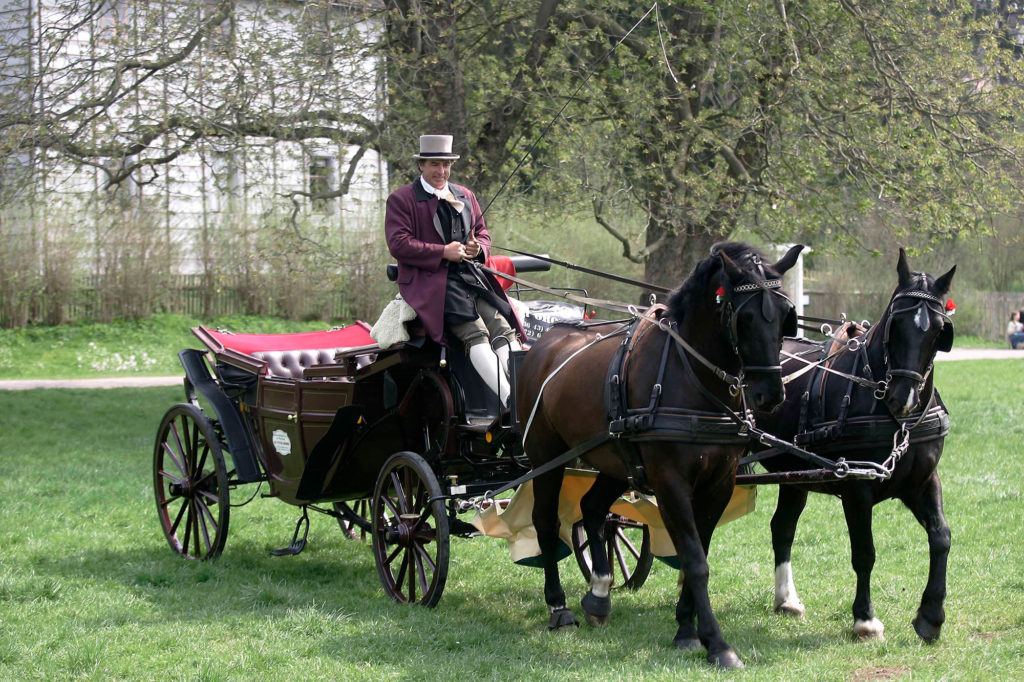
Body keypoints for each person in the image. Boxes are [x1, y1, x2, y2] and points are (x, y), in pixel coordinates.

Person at [384, 134, 525, 408]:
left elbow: (483, 234)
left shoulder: (465, 195)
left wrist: (477, 249)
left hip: (470, 277)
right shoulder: (401, 200)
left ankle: (523, 393)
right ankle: (510, 401)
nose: (441, 171)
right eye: (435, 165)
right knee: (476, 332)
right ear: (421, 166)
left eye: (446, 165)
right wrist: (441, 252)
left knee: (503, 328)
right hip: (430, 282)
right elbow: (398, 244)